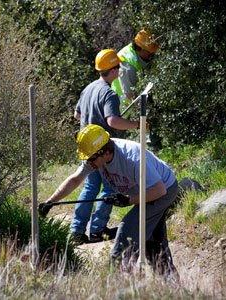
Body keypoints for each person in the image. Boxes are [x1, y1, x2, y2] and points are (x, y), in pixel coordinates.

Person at [39, 124, 179, 277]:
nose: (89, 162)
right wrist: (50, 201)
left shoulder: (132, 157)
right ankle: (171, 285)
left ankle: (119, 278)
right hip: (145, 191)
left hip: (163, 190)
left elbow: (159, 190)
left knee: (128, 231)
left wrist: (129, 200)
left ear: (105, 152)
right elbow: (74, 180)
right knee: (152, 241)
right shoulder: (96, 156)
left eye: (91, 158)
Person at [45, 49, 140, 245]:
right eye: (118, 67)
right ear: (112, 70)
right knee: (108, 187)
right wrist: (137, 124)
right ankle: (98, 230)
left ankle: (76, 232)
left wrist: (91, 119)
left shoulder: (88, 88)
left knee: (89, 187)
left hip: (86, 146)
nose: (120, 70)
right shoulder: (109, 93)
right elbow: (113, 121)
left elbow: (77, 115)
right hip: (103, 150)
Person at [111, 29, 162, 149]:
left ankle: (154, 143)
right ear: (141, 49)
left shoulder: (137, 51)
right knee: (117, 138)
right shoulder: (128, 65)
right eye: (150, 52)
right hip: (120, 105)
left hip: (129, 98)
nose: (152, 55)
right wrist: (145, 108)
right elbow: (129, 94)